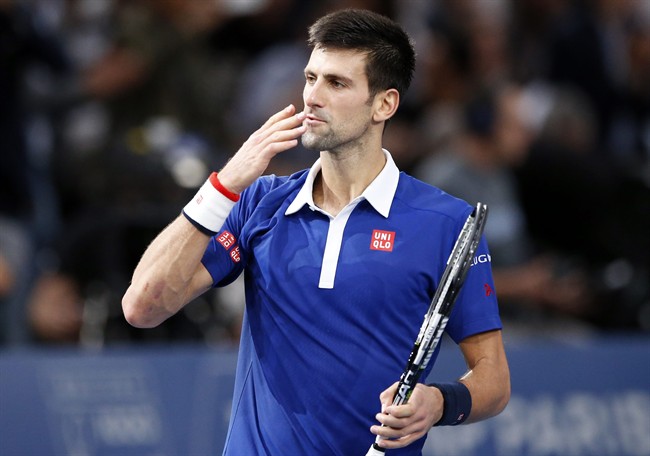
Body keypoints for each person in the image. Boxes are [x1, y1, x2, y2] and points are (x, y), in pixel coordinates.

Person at [122, 9, 510, 455]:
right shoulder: (258, 200)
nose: (312, 97)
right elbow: (142, 307)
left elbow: (493, 379)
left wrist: (439, 402)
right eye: (311, 78)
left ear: (384, 103)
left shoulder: (447, 223)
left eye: (337, 83)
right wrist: (224, 185)